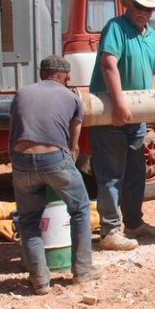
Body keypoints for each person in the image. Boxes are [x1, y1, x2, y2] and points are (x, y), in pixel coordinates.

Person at [9, 55, 101, 295]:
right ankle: (82, 270)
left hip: (20, 159)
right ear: (63, 76)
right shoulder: (72, 98)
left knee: (29, 220)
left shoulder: (22, 93)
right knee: (80, 209)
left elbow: (13, 130)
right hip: (53, 157)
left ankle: (39, 280)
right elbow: (74, 144)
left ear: (42, 73)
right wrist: (65, 161)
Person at [89, 0, 155, 251]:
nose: (143, 13)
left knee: (135, 172)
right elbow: (109, 64)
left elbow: (153, 72)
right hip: (110, 113)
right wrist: (119, 105)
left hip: (137, 115)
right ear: (128, 6)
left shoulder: (151, 35)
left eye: (148, 9)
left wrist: (151, 102)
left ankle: (134, 223)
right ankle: (110, 230)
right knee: (111, 174)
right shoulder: (115, 27)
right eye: (139, 7)